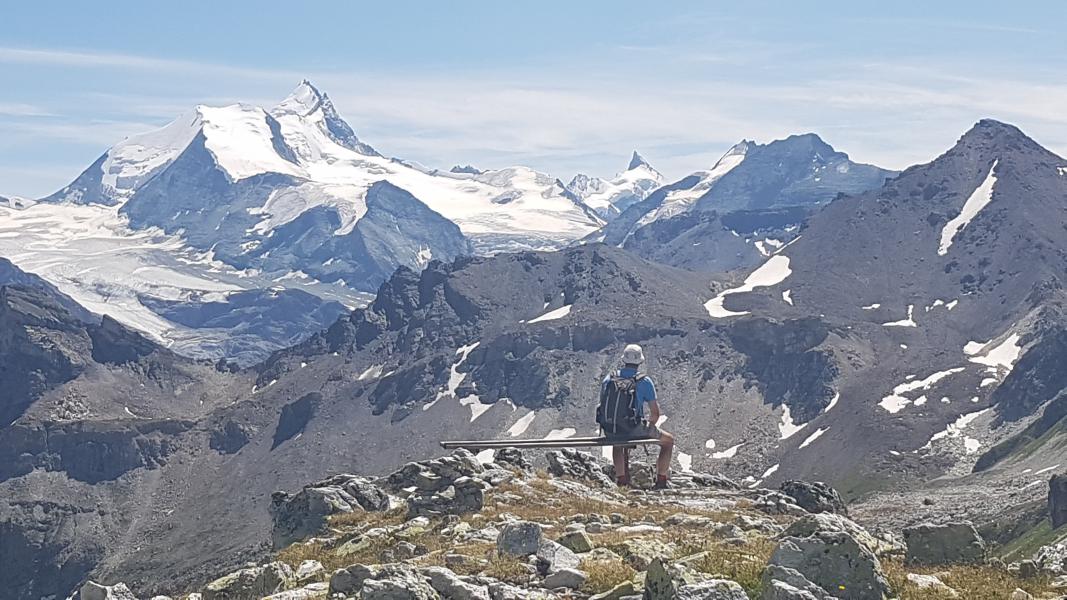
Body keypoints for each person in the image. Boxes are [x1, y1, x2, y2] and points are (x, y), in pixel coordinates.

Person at [599, 344, 674, 489]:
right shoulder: (644, 381)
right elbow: (655, 413)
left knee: (617, 443)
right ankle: (661, 480)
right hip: (633, 428)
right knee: (668, 442)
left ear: (623, 359)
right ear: (640, 361)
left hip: (610, 427)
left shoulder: (609, 377)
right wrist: (649, 427)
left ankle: (621, 481)